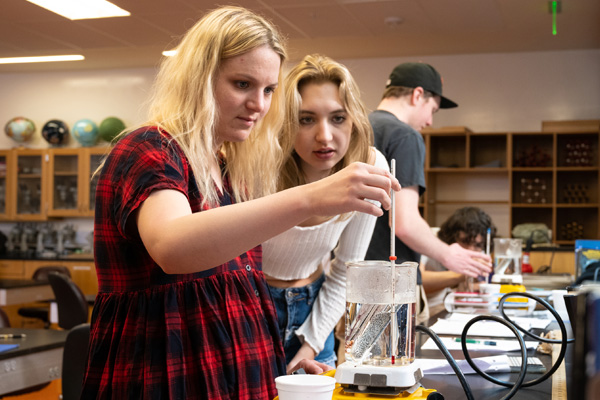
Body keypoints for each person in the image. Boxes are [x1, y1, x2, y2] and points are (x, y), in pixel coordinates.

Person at [83, 7, 399, 400]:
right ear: (198, 78)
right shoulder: (150, 148)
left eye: (268, 90)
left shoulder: (227, 168)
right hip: (164, 374)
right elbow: (173, 247)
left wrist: (285, 360)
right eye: (242, 83)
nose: (259, 105)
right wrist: (309, 198)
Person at [261, 54, 389, 373]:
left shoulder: (369, 167)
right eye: (306, 119)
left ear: (354, 118)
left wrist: (312, 343)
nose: (325, 137)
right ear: (287, 122)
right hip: (252, 310)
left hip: (317, 309)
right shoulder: (260, 167)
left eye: (337, 118)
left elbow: (346, 269)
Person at [365, 62, 492, 323]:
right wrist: (449, 254)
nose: (430, 121)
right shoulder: (405, 135)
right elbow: (403, 222)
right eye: (432, 110)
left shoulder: (357, 128)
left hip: (353, 282)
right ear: (417, 95)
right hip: (392, 287)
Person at [420, 207, 497, 315]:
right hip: (428, 313)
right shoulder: (429, 241)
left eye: (478, 245)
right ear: (451, 236)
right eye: (465, 242)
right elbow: (417, 281)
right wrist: (461, 274)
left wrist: (480, 287)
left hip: (455, 311)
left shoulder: (480, 251)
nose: (470, 250)